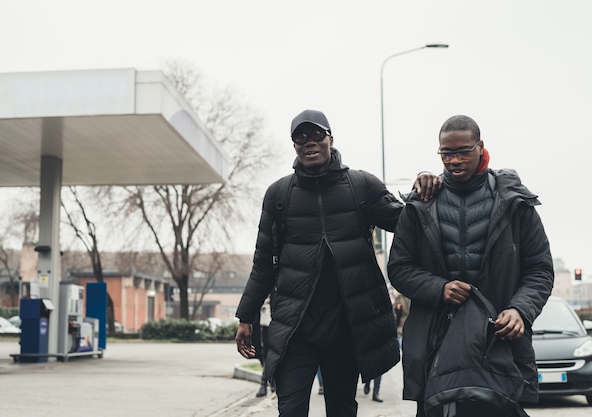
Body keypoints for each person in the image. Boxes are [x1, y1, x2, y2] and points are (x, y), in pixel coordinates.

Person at [234, 109, 441, 417]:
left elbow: (404, 220)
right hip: (295, 329)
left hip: (346, 329)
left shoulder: (361, 186)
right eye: (300, 138)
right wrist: (245, 317)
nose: (309, 143)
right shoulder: (279, 195)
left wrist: (424, 189)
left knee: (342, 409)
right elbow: (264, 263)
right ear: (294, 146)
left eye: (317, 135)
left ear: (330, 139)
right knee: (290, 410)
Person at [387, 115, 554, 417]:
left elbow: (540, 269)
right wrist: (439, 288)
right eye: (446, 153)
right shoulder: (421, 204)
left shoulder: (516, 204)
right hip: (436, 342)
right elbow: (399, 268)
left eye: (463, 151)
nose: (454, 160)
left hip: (498, 340)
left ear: (481, 146)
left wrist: (520, 310)